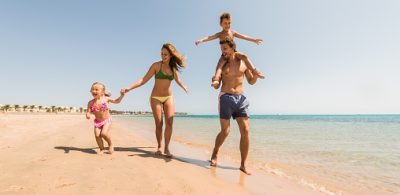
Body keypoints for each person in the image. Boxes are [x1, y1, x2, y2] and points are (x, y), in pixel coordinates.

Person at [122, 43, 188, 158]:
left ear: (171, 55)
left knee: (169, 123)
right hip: (155, 98)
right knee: (159, 123)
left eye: (166, 54)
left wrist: (184, 87)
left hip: (169, 97)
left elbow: (178, 80)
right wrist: (129, 87)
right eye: (162, 54)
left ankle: (167, 148)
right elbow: (143, 80)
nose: (163, 56)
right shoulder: (156, 66)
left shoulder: (173, 69)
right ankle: (159, 146)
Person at [210, 39, 264, 175]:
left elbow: (251, 81)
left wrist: (256, 76)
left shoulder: (244, 63)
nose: (223, 52)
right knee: (225, 131)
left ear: (233, 48)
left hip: (241, 99)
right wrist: (215, 82)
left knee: (245, 130)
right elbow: (217, 78)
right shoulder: (222, 62)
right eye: (221, 49)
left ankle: (243, 164)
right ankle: (215, 153)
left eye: (225, 49)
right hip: (225, 97)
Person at [195, 12, 264, 87]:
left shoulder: (232, 32)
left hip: (234, 52)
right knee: (219, 66)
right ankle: (216, 80)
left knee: (244, 56)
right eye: (225, 23)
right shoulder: (220, 34)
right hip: (224, 55)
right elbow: (209, 37)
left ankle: (254, 71)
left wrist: (254, 40)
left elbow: (243, 36)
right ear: (221, 24)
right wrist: (201, 40)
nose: (227, 25)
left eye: (229, 23)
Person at [86, 82, 125, 154]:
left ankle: (110, 145)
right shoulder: (90, 102)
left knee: (103, 133)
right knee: (97, 135)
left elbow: (116, 101)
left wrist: (122, 95)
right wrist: (88, 114)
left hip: (107, 120)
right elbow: (88, 111)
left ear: (103, 91)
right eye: (92, 89)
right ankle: (101, 148)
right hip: (97, 122)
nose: (94, 91)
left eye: (97, 89)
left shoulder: (106, 99)